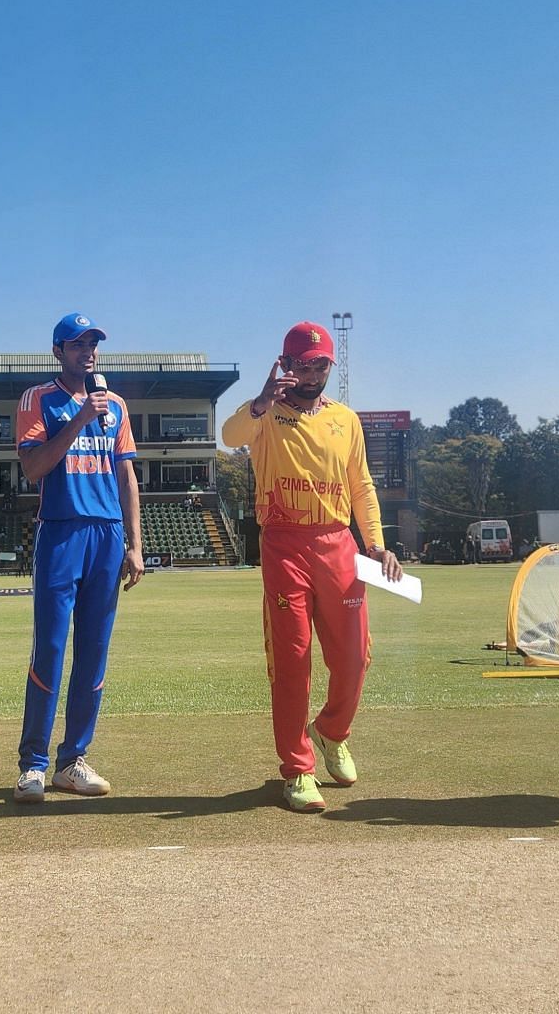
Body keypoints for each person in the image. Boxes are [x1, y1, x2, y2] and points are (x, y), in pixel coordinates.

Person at [221, 321, 400, 813]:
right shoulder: (264, 414)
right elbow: (230, 433)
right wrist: (259, 400)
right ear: (285, 363)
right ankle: (297, 769)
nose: (311, 371)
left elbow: (361, 485)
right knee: (292, 660)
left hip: (339, 543)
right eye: (302, 363)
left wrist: (377, 544)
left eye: (320, 363)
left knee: (354, 656)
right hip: (283, 543)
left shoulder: (344, 419)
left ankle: (332, 732)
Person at [11, 312, 146, 804]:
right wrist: (79, 420)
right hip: (62, 532)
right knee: (49, 647)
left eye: (93, 344)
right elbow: (33, 467)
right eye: (76, 344)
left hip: (108, 535)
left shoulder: (117, 405)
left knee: (94, 653)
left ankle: (73, 760)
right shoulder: (38, 399)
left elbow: (126, 475)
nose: (87, 352)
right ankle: (33, 765)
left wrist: (135, 542)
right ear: (57, 352)